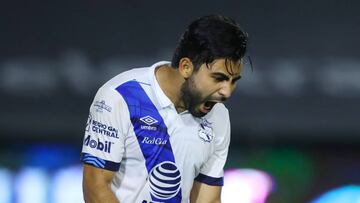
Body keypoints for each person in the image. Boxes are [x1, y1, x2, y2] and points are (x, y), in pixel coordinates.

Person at [81, 14, 248, 203]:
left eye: (233, 81)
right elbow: (96, 186)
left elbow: (207, 199)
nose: (227, 92)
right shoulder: (120, 96)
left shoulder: (218, 116)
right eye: (218, 78)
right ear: (186, 67)